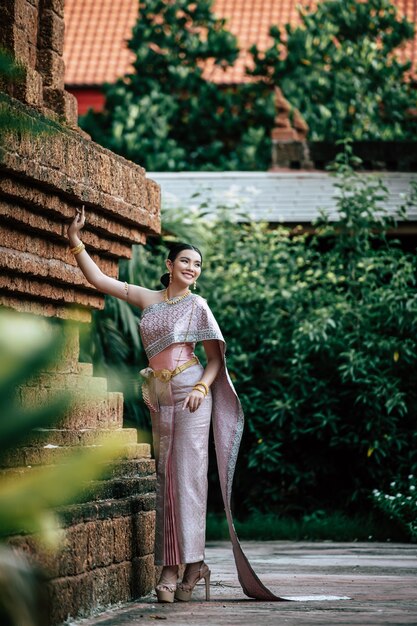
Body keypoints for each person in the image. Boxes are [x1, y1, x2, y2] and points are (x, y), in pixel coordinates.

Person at [67, 206, 282, 603]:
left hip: (190, 394)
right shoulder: (148, 298)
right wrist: (75, 240)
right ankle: (187, 566)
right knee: (166, 478)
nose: (192, 268)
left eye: (198, 264)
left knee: (189, 477)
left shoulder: (198, 306)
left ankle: (181, 565)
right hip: (160, 396)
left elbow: (216, 360)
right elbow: (97, 279)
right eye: (185, 260)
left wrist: (202, 388)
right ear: (170, 264)